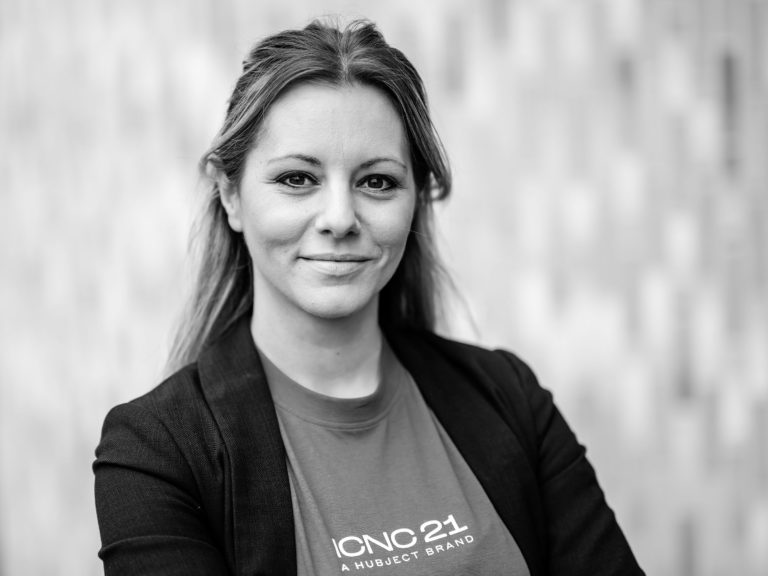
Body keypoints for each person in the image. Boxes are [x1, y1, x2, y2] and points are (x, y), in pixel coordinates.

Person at [93, 19, 644, 576]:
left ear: (415, 199)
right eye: (297, 179)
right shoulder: (156, 453)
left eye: (377, 181)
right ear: (231, 195)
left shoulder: (510, 399)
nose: (339, 219)